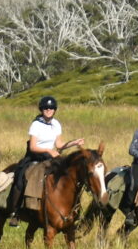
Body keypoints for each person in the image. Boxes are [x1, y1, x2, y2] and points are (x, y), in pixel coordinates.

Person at [5, 95, 83, 226]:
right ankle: (16, 212)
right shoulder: (36, 125)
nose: (49, 110)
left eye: (52, 108)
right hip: (34, 157)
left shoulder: (56, 124)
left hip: (50, 158)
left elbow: (58, 145)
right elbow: (33, 146)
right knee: (21, 177)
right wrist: (48, 150)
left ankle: (71, 209)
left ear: (55, 110)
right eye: (46, 108)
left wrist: (73, 143)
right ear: (41, 109)